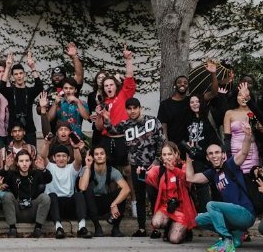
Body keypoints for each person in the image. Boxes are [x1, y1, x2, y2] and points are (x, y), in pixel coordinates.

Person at [101, 96, 164, 237]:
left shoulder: (152, 121)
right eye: (129, 109)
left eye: (135, 108)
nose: (132, 111)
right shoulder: (126, 124)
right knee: (140, 196)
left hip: (152, 165)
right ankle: (142, 228)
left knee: (154, 196)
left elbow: (161, 141)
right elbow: (111, 130)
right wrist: (106, 118)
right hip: (137, 166)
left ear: (140, 108)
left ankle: (156, 228)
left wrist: (157, 161)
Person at [185, 137, 254, 252]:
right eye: (210, 153)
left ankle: (226, 239)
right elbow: (191, 178)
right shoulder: (212, 173)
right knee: (199, 219)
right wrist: (189, 159)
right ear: (207, 157)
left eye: (217, 152)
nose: (214, 155)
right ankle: (236, 234)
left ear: (223, 155)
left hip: (245, 214)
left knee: (211, 205)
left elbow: (244, 152)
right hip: (232, 217)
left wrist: (247, 136)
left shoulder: (230, 165)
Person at [144, 143, 197, 244]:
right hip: (167, 207)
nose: (167, 157)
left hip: (182, 208)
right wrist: (142, 172)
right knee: (156, 222)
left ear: (176, 154)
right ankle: (169, 226)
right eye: (164, 155)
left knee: (174, 239)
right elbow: (148, 178)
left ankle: (185, 230)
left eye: (170, 154)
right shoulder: (159, 169)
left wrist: (173, 169)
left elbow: (188, 180)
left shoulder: (184, 166)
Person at [0, 149, 53, 238]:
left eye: (27, 161)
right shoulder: (12, 174)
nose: (24, 164)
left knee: (45, 197)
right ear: (17, 163)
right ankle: (12, 229)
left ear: (31, 162)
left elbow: (48, 179)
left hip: (32, 209)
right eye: (21, 161)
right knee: (7, 196)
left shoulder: (36, 174)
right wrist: (6, 168)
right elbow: (1, 179)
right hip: (17, 211)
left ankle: (38, 228)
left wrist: (43, 169)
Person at [79, 145, 130, 237]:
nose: (99, 156)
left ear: (106, 156)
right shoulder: (87, 169)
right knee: (87, 191)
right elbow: (82, 187)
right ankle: (97, 227)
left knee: (121, 193)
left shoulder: (112, 171)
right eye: (96, 154)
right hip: (91, 205)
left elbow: (126, 189)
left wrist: (114, 204)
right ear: (93, 157)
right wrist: (87, 166)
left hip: (105, 203)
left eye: (102, 154)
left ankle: (116, 228)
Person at [41, 144, 88, 238]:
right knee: (52, 195)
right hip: (54, 205)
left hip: (68, 204)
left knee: (79, 195)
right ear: (53, 158)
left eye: (64, 156)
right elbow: (43, 156)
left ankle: (82, 227)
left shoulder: (71, 168)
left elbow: (78, 161)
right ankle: (59, 228)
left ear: (68, 158)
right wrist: (46, 143)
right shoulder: (50, 167)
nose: (61, 158)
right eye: (58, 156)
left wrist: (75, 147)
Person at [0, 52, 45, 140]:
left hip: (29, 130)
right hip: (13, 131)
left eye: (21, 73)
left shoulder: (29, 91)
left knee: (31, 153)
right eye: (16, 74)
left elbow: (39, 87)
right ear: (12, 77)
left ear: (24, 75)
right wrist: (7, 67)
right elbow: (1, 87)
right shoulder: (10, 91)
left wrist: (33, 67)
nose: (19, 76)